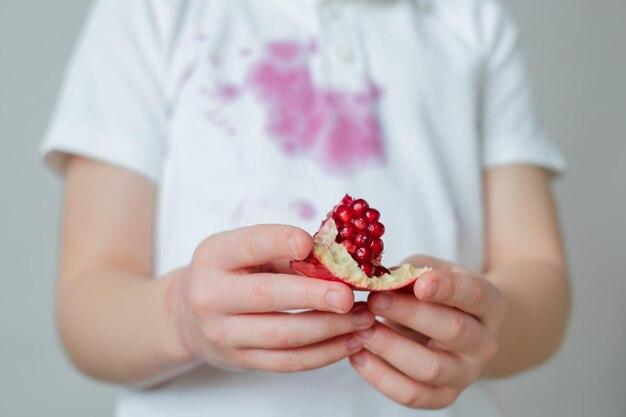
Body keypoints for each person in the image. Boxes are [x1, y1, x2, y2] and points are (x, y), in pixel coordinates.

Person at [41, 0, 570, 415]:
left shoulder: (474, 24)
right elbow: (87, 306)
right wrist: (181, 317)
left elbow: (541, 282)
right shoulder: (147, 13)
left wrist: (482, 326)